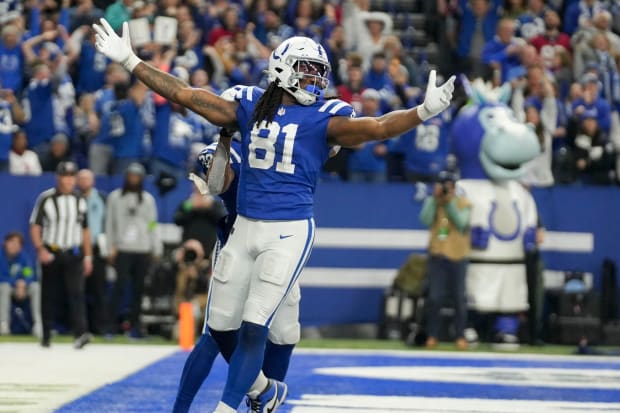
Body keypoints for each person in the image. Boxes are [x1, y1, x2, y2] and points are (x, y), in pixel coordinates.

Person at [93, 18, 454, 413]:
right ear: (282, 69)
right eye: (308, 69)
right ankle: (263, 394)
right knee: (220, 329)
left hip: (288, 231)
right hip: (243, 226)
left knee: (259, 326)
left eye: (320, 72)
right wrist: (130, 60)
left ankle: (230, 408)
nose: (316, 79)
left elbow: (379, 127)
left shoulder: (324, 117)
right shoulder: (247, 104)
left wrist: (422, 110)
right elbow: (186, 94)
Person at [174, 131, 302, 413]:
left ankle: (264, 400)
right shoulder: (220, 152)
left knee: (285, 332)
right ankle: (184, 409)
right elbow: (215, 183)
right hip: (239, 240)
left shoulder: (290, 136)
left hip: (282, 240)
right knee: (216, 331)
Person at [29, 161, 93, 348]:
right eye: (65, 176)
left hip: (73, 253)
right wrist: (40, 249)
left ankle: (80, 334)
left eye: (71, 176)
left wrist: (88, 256)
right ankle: (47, 334)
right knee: (49, 294)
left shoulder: (80, 200)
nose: (68, 180)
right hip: (52, 251)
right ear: (58, 177)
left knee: (77, 294)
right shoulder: (46, 198)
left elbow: (85, 230)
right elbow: (35, 225)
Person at [105, 162, 161, 337]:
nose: (134, 179)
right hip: (122, 248)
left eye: (137, 177)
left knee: (138, 290)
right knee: (119, 288)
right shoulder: (115, 198)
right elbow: (109, 224)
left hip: (142, 249)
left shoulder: (148, 200)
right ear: (126, 177)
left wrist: (155, 247)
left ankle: (135, 328)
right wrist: (110, 247)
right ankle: (111, 327)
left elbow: (153, 224)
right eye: (131, 176)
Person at [419, 171, 471, 350]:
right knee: (435, 298)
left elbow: (462, 222)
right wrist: (434, 200)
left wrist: (449, 204)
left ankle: (460, 336)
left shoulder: (463, 203)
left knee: (459, 298)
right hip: (438, 255)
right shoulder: (433, 202)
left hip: (458, 256)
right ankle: (432, 335)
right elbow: (425, 219)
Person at [76, 169, 107, 335]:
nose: (83, 182)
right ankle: (78, 327)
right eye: (80, 179)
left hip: (97, 247)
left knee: (98, 290)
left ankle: (99, 327)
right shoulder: (73, 199)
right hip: (77, 248)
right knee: (77, 290)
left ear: (93, 181)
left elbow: (109, 222)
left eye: (87, 178)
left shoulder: (102, 198)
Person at [0, 232, 40, 336]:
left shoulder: (24, 257)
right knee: (4, 287)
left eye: (18, 244)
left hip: (21, 289)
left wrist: (24, 283)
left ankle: (38, 324)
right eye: (12, 242)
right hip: (7, 288)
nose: (14, 246)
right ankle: (3, 324)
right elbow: (1, 277)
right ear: (5, 243)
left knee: (35, 287)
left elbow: (29, 274)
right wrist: (16, 283)